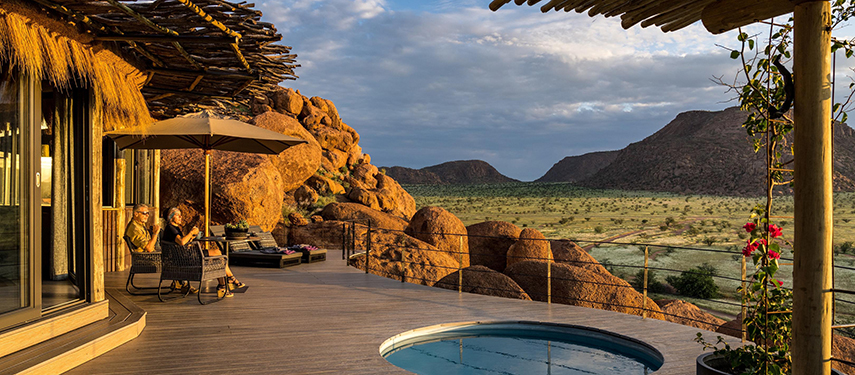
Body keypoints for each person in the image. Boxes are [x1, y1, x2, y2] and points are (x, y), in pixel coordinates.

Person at [163, 207, 246, 297]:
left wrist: (191, 238)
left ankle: (224, 285)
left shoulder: (174, 228)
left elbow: (182, 244)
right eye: (177, 215)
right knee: (218, 253)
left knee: (218, 258)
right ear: (170, 217)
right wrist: (191, 232)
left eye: (180, 215)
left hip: (185, 257)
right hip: (186, 259)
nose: (180, 217)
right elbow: (182, 242)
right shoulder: (171, 229)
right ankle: (229, 280)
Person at [125, 204, 195, 294]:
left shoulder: (140, 225)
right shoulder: (135, 228)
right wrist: (155, 233)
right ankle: (183, 283)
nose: (147, 215)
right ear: (136, 214)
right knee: (177, 258)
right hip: (145, 258)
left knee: (176, 254)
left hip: (151, 255)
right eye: (144, 213)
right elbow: (149, 248)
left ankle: (179, 282)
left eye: (148, 213)